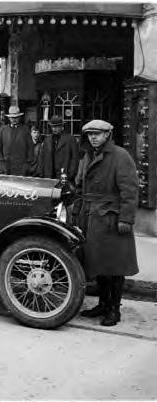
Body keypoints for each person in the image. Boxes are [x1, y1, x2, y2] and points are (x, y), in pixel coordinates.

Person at [75, 119, 139, 326]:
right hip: (92, 217)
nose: (93, 137)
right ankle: (103, 304)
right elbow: (80, 186)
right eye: (90, 134)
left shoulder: (120, 156)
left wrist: (126, 219)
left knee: (115, 267)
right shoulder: (88, 155)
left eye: (98, 134)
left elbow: (130, 191)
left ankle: (114, 309)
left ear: (108, 135)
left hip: (112, 219)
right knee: (98, 265)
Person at [0, 105, 34, 176]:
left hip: (21, 168)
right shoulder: (3, 130)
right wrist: (1, 163)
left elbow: (30, 148)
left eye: (16, 117)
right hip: (6, 167)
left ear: (19, 117)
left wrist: (27, 164)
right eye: (12, 118)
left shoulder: (25, 129)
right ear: (9, 118)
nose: (14, 119)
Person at [39, 115, 79, 182]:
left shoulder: (70, 139)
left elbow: (75, 158)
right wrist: (41, 173)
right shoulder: (47, 140)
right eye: (52, 127)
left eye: (56, 126)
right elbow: (42, 157)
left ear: (61, 127)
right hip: (49, 174)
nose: (54, 129)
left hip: (64, 174)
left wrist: (71, 173)